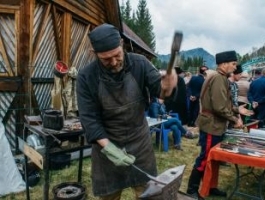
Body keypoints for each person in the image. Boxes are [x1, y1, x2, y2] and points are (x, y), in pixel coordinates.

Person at [76, 23, 178, 200]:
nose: (114, 62)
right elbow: (89, 118)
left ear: (122, 44)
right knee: (109, 196)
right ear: (94, 54)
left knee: (148, 194)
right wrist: (109, 148)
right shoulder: (86, 77)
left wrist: (167, 87)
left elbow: (159, 90)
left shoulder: (140, 63)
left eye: (117, 55)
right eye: (106, 59)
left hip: (139, 142)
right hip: (107, 146)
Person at [186, 50, 252, 199]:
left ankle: (210, 186)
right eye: (233, 64)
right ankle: (191, 189)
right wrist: (235, 119)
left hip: (216, 125)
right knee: (205, 158)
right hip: (212, 126)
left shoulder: (220, 78)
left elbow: (223, 104)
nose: (235, 68)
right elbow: (219, 107)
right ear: (223, 64)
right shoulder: (218, 78)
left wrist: (236, 109)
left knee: (214, 160)